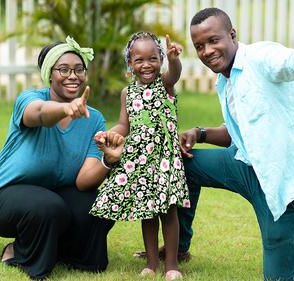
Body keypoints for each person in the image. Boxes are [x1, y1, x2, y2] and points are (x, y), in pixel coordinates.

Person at [140, 8, 294, 281]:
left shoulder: (261, 58)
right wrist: (199, 134)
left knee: (282, 278)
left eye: (214, 40)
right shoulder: (225, 79)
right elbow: (243, 133)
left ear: (232, 34)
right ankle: (180, 247)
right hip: (249, 169)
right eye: (199, 46)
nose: (207, 51)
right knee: (180, 164)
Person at [0, 36, 124, 280]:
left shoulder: (94, 118)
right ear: (50, 74)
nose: (72, 76)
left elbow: (83, 182)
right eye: (64, 69)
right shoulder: (31, 99)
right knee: (49, 207)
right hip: (2, 197)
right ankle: (18, 251)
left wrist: (108, 161)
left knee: (95, 206)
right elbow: (39, 114)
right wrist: (65, 109)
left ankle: (66, 253)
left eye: (79, 69)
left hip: (53, 193)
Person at [89, 32, 190, 280]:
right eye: (139, 60)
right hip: (140, 160)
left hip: (164, 159)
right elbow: (125, 125)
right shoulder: (128, 93)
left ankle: (172, 265)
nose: (146, 65)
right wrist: (109, 133)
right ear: (130, 64)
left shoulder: (164, 83)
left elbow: (174, 73)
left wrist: (175, 60)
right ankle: (152, 262)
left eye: (153, 58)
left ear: (160, 60)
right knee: (147, 213)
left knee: (168, 211)